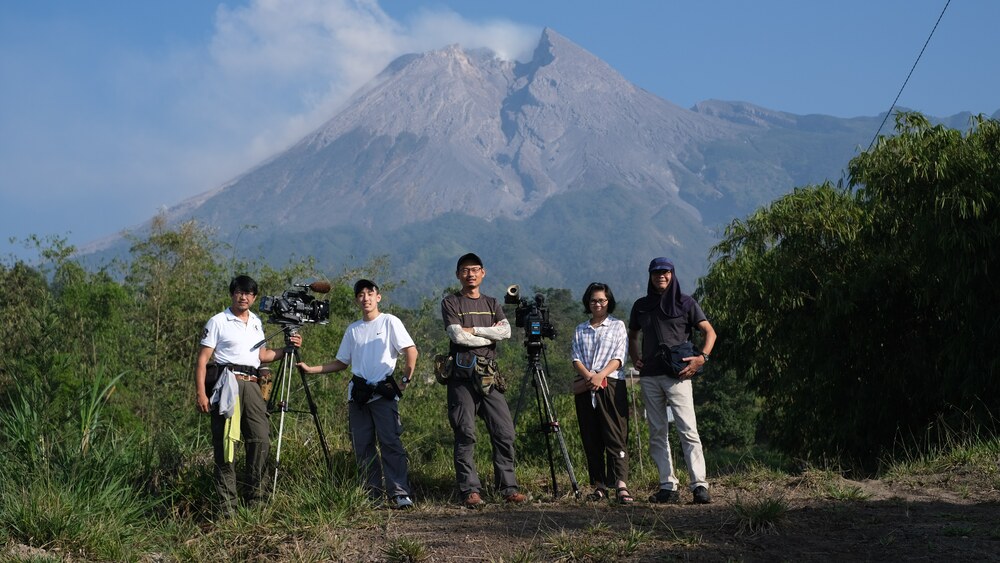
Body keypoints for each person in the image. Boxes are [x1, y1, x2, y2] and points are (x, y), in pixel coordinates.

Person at [297, 279, 417, 509]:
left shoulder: (389, 321)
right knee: (362, 446)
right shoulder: (353, 329)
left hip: (383, 392)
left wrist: (404, 380)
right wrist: (312, 369)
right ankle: (372, 494)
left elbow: (410, 351)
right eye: (361, 294)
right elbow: (342, 362)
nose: (366, 298)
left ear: (378, 296)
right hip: (358, 395)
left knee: (390, 442)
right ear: (356, 300)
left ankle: (399, 492)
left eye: (370, 293)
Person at [194, 275, 302, 515]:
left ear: (254, 297)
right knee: (226, 446)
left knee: (260, 440)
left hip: (252, 383)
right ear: (232, 294)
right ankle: (227, 510)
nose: (243, 297)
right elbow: (202, 360)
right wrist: (201, 393)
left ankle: (257, 501)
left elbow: (261, 356)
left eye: (249, 293)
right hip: (227, 383)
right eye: (239, 292)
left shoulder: (256, 322)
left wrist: (288, 349)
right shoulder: (218, 321)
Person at [628, 258, 716, 505]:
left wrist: (702, 358)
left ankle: (699, 485)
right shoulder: (642, 305)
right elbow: (632, 334)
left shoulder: (685, 302)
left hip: (678, 376)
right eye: (656, 273)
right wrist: (635, 357)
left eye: (665, 273)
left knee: (687, 429)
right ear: (650, 276)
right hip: (650, 376)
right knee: (657, 431)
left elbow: (710, 331)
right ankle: (668, 485)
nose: (661, 277)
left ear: (672, 274)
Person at [441, 253, 527, 507]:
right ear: (458, 274)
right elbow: (458, 337)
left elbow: (506, 331)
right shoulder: (451, 302)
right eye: (465, 270)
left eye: (475, 269)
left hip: (489, 375)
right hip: (461, 377)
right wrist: (490, 337)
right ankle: (470, 491)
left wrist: (476, 330)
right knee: (465, 432)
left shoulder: (492, 303)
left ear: (483, 273)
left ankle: (508, 487)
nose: (471, 274)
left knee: (504, 431)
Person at [571, 282, 633, 504]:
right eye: (594, 300)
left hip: (611, 384)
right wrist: (590, 377)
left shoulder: (617, 326)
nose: (598, 304)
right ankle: (599, 486)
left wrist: (600, 375)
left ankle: (621, 485)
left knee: (615, 434)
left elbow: (619, 356)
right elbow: (575, 357)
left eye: (602, 300)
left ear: (609, 302)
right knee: (591, 436)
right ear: (588, 302)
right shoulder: (580, 328)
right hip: (586, 385)